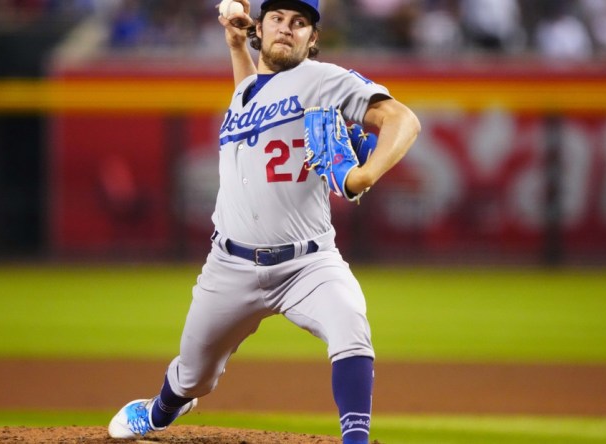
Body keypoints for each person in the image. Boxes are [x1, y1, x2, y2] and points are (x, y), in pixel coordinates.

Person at [106, 1, 420, 443]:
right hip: (229, 267)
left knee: (350, 324)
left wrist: (365, 174)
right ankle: (161, 409)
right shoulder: (246, 92)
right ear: (260, 26)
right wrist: (236, 46)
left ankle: (356, 438)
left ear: (313, 39)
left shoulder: (322, 78)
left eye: (300, 22)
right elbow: (256, 94)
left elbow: (402, 119)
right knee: (194, 376)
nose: (287, 28)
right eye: (277, 18)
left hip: (307, 264)